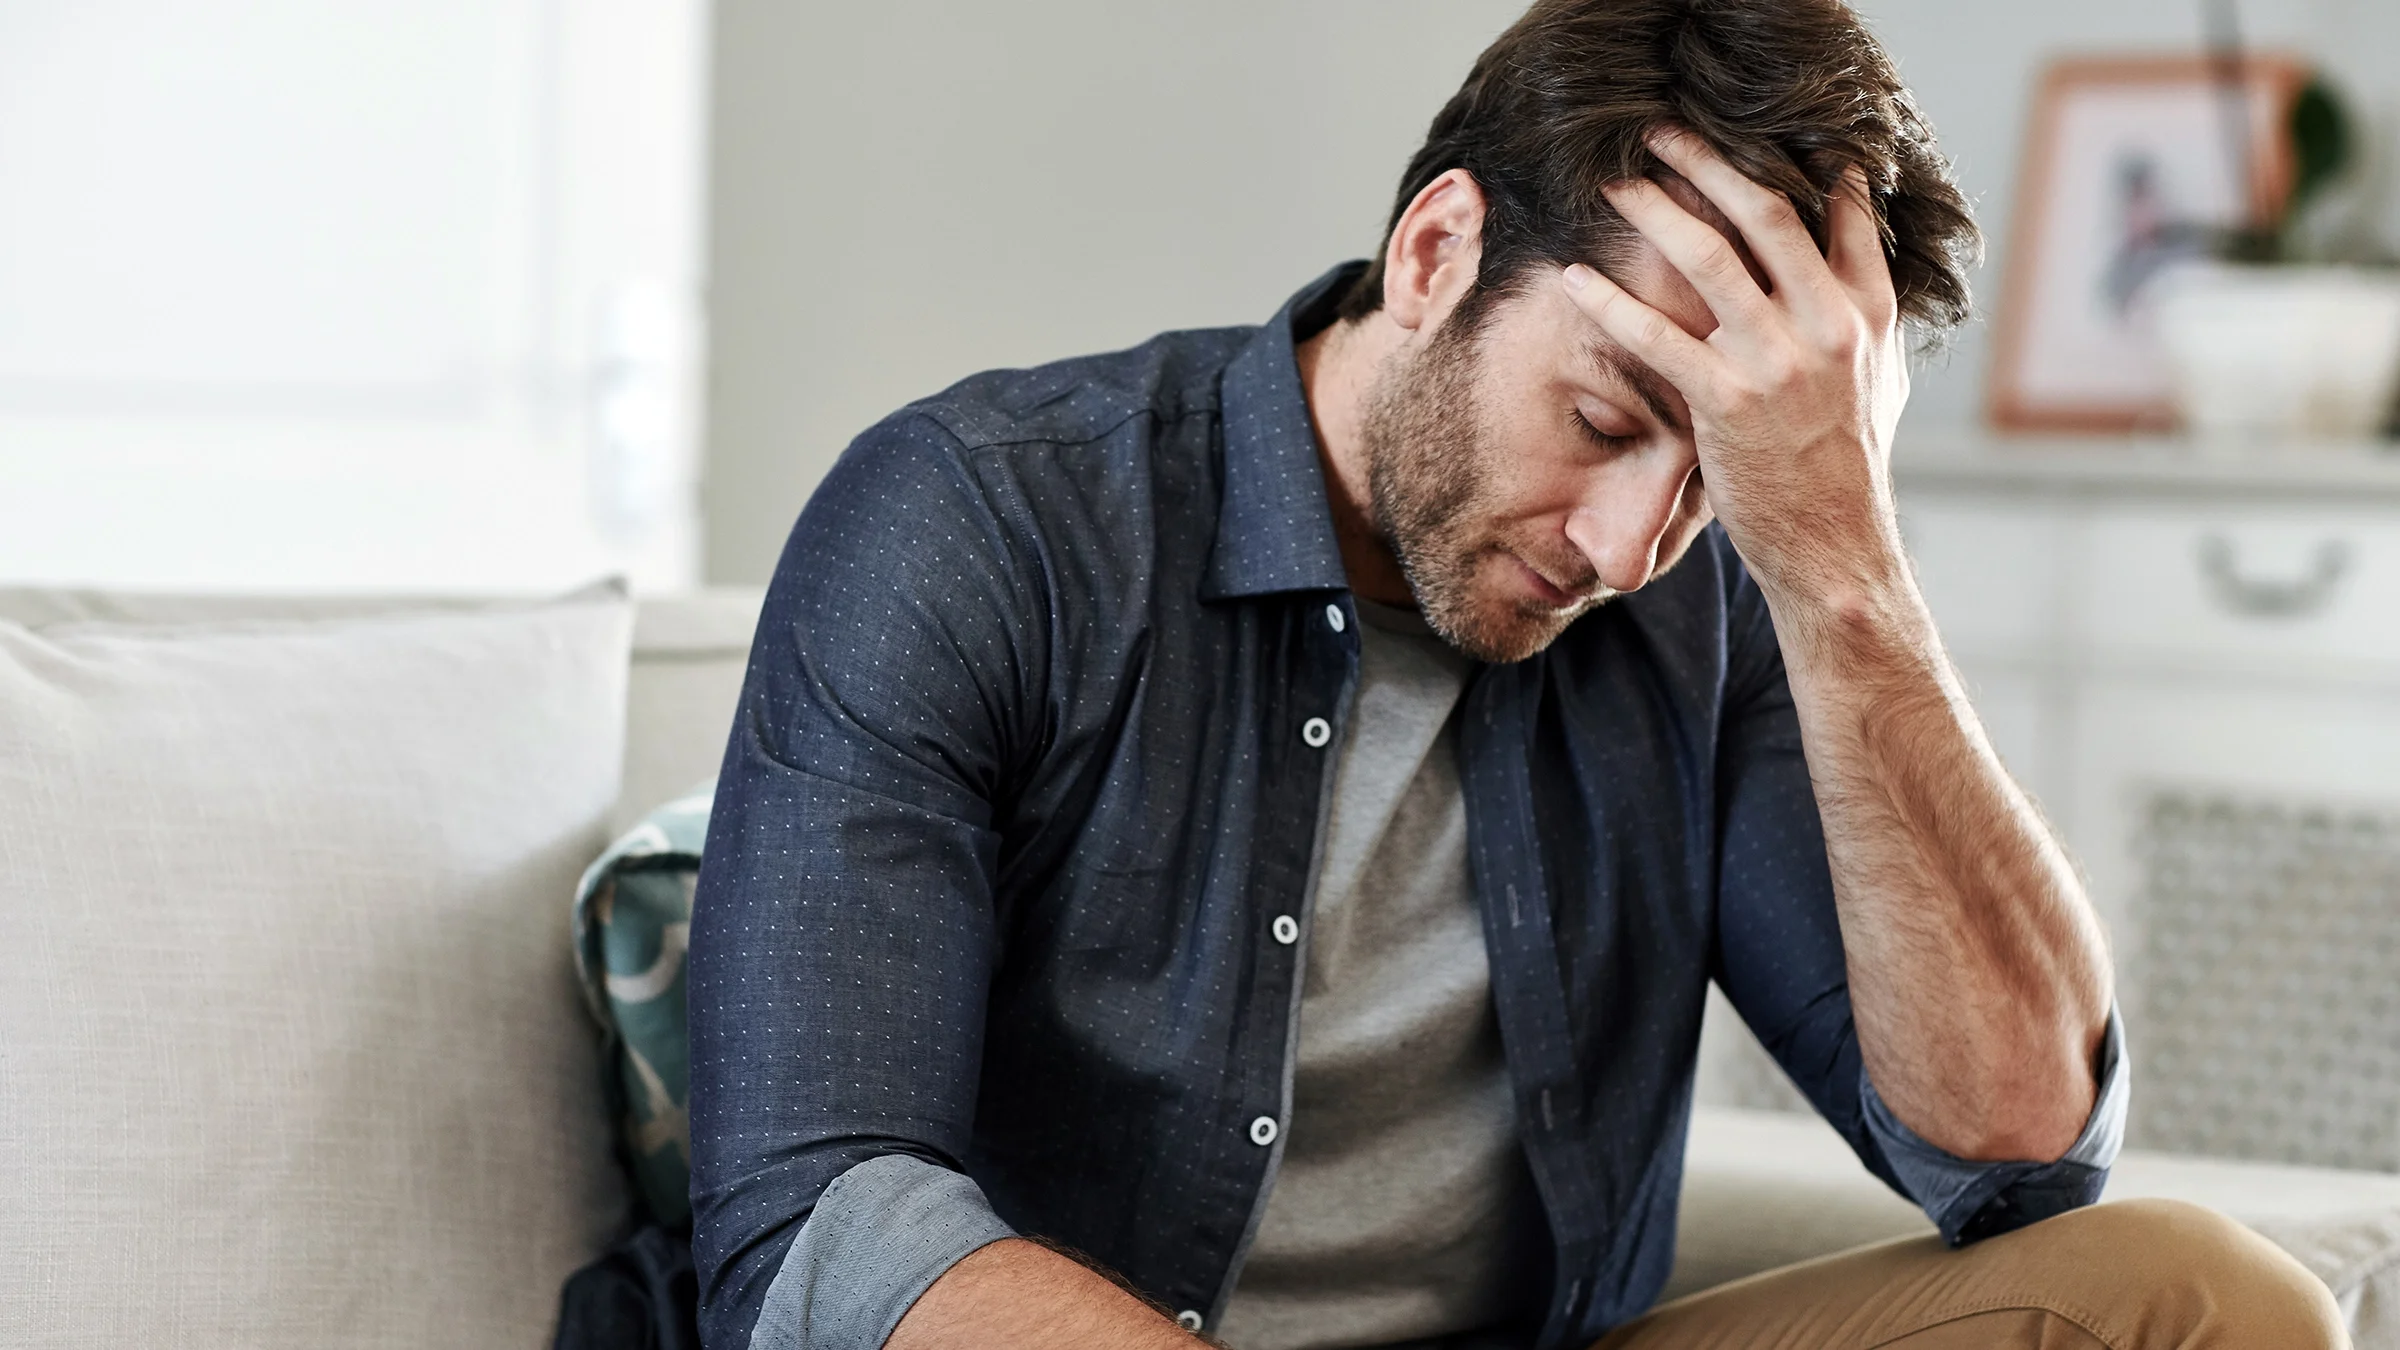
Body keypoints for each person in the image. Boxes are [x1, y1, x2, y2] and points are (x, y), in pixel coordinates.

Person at [686, 2, 2347, 1347]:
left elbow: (2019, 1156)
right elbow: (825, 1225)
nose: (1632, 548)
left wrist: (1840, 560)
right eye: (1612, 420)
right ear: (1435, 255)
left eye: (1718, 475)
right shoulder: (981, 520)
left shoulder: (1724, 598)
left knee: (2211, 1301)